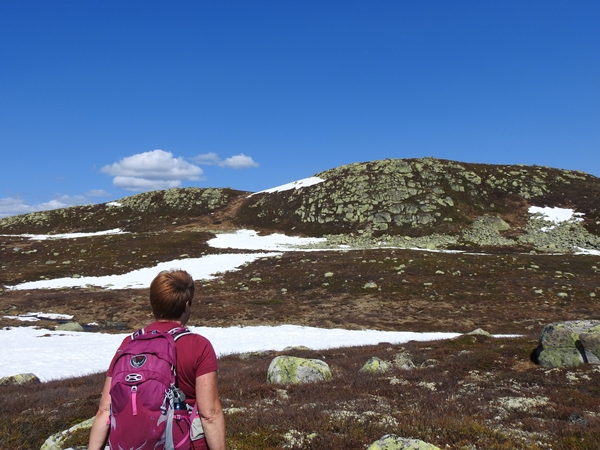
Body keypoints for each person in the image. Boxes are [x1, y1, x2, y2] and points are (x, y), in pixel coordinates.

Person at [88, 269, 226, 450]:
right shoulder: (197, 346)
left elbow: (104, 411)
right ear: (186, 305)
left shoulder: (129, 344)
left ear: (153, 304)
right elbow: (210, 415)